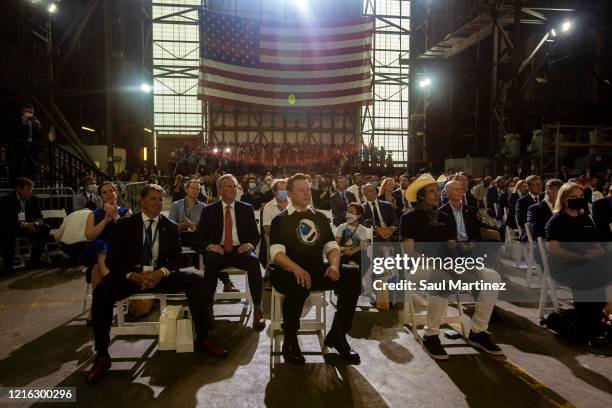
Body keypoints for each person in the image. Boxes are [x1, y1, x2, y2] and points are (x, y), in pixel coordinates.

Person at [86, 184, 227, 384]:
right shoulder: (125, 225)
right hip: (132, 277)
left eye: (160, 199)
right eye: (152, 199)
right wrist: (132, 275)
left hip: (159, 276)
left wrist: (161, 273)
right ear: (142, 201)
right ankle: (102, 355)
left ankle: (202, 338)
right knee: (101, 293)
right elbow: (112, 261)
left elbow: (178, 259)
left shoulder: (169, 226)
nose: (157, 203)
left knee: (197, 282)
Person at [401, 173, 503, 360]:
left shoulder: (445, 216)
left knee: (492, 277)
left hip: (448, 264)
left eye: (436, 190)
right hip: (420, 266)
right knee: (444, 281)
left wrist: (462, 263)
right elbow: (409, 252)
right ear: (421, 196)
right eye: (431, 191)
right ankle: (431, 335)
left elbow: (451, 246)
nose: (436, 194)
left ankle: (478, 331)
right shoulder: (409, 218)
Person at [269, 173, 361, 365]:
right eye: (301, 190)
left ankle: (337, 334)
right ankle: (290, 340)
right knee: (298, 284)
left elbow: (331, 247)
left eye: (307, 189)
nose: (306, 193)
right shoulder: (281, 219)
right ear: (290, 194)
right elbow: (277, 254)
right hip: (286, 270)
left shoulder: (319, 217)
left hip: (315, 268)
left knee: (352, 274)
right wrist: (296, 269)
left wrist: (334, 265)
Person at [545, 182, 612, 342]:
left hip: (588, 265)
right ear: (565, 199)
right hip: (565, 267)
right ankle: (600, 314)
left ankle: (602, 312)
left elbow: (596, 243)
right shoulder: (557, 220)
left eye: (581, 196)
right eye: (573, 197)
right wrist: (582, 257)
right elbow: (553, 249)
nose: (578, 199)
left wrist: (599, 253)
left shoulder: (585, 219)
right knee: (594, 274)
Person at [197, 174, 264, 330]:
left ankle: (258, 308)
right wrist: (209, 246)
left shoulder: (245, 208)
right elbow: (199, 237)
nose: (233, 189)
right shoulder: (209, 210)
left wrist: (250, 244)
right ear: (220, 189)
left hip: (240, 250)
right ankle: (207, 308)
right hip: (218, 250)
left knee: (254, 262)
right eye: (229, 186)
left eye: (235, 186)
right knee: (211, 261)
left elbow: (255, 235)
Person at [84, 182, 132, 324]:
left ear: (116, 193)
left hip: (119, 251)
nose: (108, 194)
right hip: (98, 250)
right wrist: (106, 219)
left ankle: (94, 310)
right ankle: (113, 285)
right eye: (104, 192)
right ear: (101, 196)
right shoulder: (94, 214)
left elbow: (128, 236)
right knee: (101, 244)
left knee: (95, 270)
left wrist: (116, 217)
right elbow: (89, 235)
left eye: (111, 191)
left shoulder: (126, 212)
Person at [0, 177, 51, 275]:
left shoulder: (34, 199)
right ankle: (8, 266)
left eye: (31, 189)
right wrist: (24, 224)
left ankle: (35, 260)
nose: (30, 192)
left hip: (30, 226)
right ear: (18, 189)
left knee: (45, 228)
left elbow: (39, 216)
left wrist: (36, 224)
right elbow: (5, 219)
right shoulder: (7, 199)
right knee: (6, 231)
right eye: (28, 189)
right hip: (14, 226)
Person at [169, 178, 205, 249]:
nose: (195, 190)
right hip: (179, 238)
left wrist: (193, 226)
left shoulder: (204, 207)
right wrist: (182, 225)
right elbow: (170, 228)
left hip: (197, 240)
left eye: (197, 189)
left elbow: (205, 230)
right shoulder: (176, 205)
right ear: (186, 190)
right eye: (192, 188)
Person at [335, 203, 369, 268]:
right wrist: (345, 249)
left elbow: (361, 246)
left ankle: (359, 277)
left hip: (357, 252)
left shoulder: (363, 229)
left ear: (359, 215)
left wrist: (353, 251)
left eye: (351, 211)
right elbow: (336, 244)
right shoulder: (342, 227)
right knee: (339, 261)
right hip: (343, 252)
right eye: (348, 211)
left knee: (366, 261)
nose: (348, 213)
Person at [14, 103, 42, 180]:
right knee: (20, 169)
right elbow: (15, 134)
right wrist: (23, 123)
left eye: (31, 112)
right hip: (21, 149)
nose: (29, 114)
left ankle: (31, 186)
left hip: (32, 149)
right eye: (27, 111)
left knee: (32, 170)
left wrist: (38, 127)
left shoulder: (35, 121)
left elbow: (40, 136)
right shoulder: (18, 120)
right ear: (23, 111)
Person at [516, 175, 544, 241]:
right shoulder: (522, 201)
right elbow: (521, 221)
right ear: (529, 186)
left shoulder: (545, 198)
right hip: (530, 233)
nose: (539, 186)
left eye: (540, 184)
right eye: (536, 184)